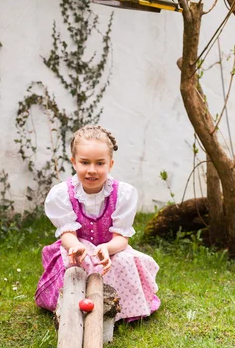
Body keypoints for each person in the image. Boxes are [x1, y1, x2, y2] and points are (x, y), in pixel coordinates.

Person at [35, 125, 160, 322]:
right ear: (74, 162)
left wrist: (107, 248)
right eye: (85, 162)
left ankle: (118, 309)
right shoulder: (62, 194)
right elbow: (67, 233)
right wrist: (75, 246)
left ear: (110, 164)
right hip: (78, 248)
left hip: (109, 249)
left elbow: (121, 238)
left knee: (123, 263)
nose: (92, 170)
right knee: (77, 264)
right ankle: (74, 306)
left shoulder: (122, 194)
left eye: (100, 163)